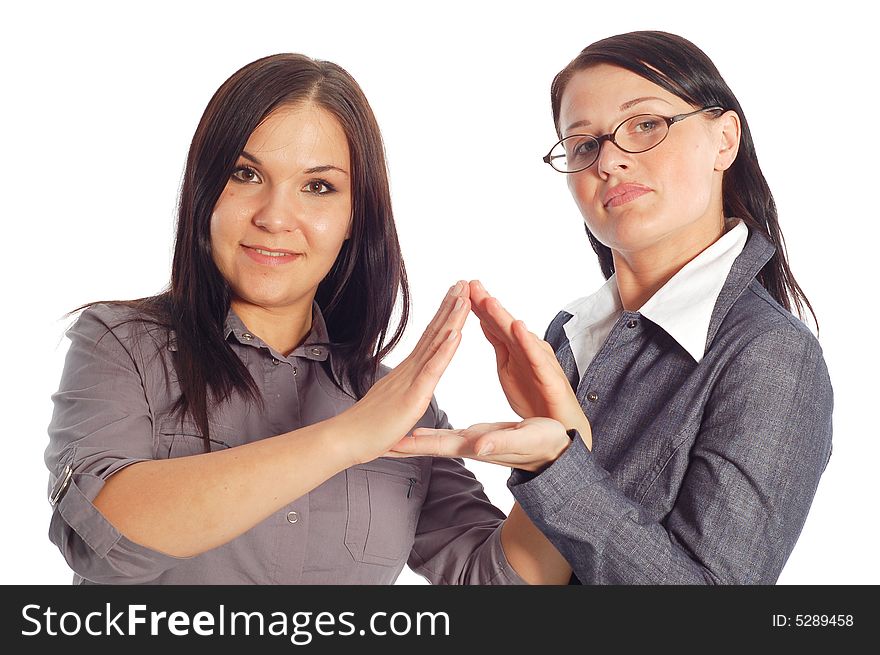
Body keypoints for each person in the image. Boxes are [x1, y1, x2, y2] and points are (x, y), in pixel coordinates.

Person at [44, 53, 569, 585]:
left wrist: (563, 462)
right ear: (204, 194)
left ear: (353, 218)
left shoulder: (395, 405)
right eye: (245, 174)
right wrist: (345, 439)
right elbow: (99, 542)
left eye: (318, 186)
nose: (274, 216)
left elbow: (498, 585)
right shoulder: (121, 346)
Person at [392, 31, 833, 584]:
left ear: (724, 140)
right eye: (583, 145)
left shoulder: (771, 355)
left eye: (646, 124)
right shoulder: (570, 335)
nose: (610, 161)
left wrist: (557, 469)